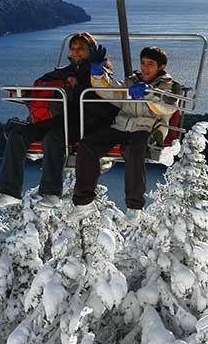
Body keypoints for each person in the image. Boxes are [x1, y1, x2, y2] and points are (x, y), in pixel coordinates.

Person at [0, 32, 115, 209]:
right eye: (73, 49)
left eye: (81, 49)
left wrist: (78, 83)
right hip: (61, 119)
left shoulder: (99, 72)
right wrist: (29, 94)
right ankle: (9, 190)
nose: (76, 52)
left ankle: (51, 192)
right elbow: (45, 81)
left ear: (90, 50)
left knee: (53, 138)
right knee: (18, 134)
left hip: (86, 122)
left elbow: (103, 95)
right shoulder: (66, 71)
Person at [67, 45, 179, 225]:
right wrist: (97, 73)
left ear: (161, 67)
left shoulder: (170, 86)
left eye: (150, 64)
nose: (145, 68)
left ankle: (134, 207)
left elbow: (167, 107)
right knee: (88, 145)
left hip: (147, 128)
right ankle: (83, 202)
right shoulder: (131, 83)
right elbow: (109, 90)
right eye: (143, 63)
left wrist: (148, 94)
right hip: (121, 126)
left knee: (134, 150)